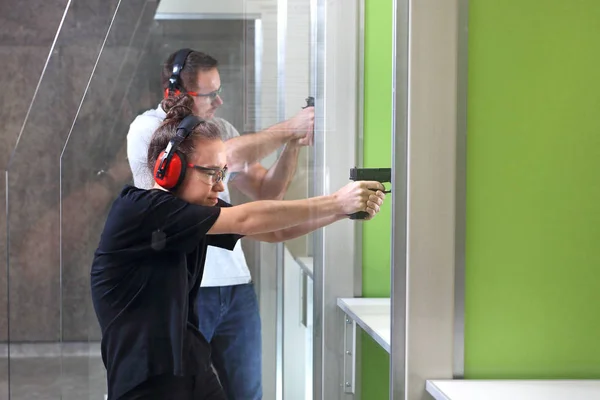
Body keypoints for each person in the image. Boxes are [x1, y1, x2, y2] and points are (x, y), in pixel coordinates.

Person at [91, 97, 386, 399]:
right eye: (212, 174)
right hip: (144, 380)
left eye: (223, 173)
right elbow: (246, 217)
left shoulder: (191, 210)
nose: (221, 186)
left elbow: (274, 230)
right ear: (171, 168)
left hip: (191, 368)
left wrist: (341, 212)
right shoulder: (142, 210)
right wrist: (336, 200)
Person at [126, 49, 314, 399]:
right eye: (210, 94)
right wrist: (289, 126)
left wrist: (292, 143)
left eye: (219, 90)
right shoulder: (148, 129)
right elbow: (223, 155)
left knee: (247, 393)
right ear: (177, 92)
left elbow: (266, 190)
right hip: (184, 285)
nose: (219, 100)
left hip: (235, 286)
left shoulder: (220, 129)